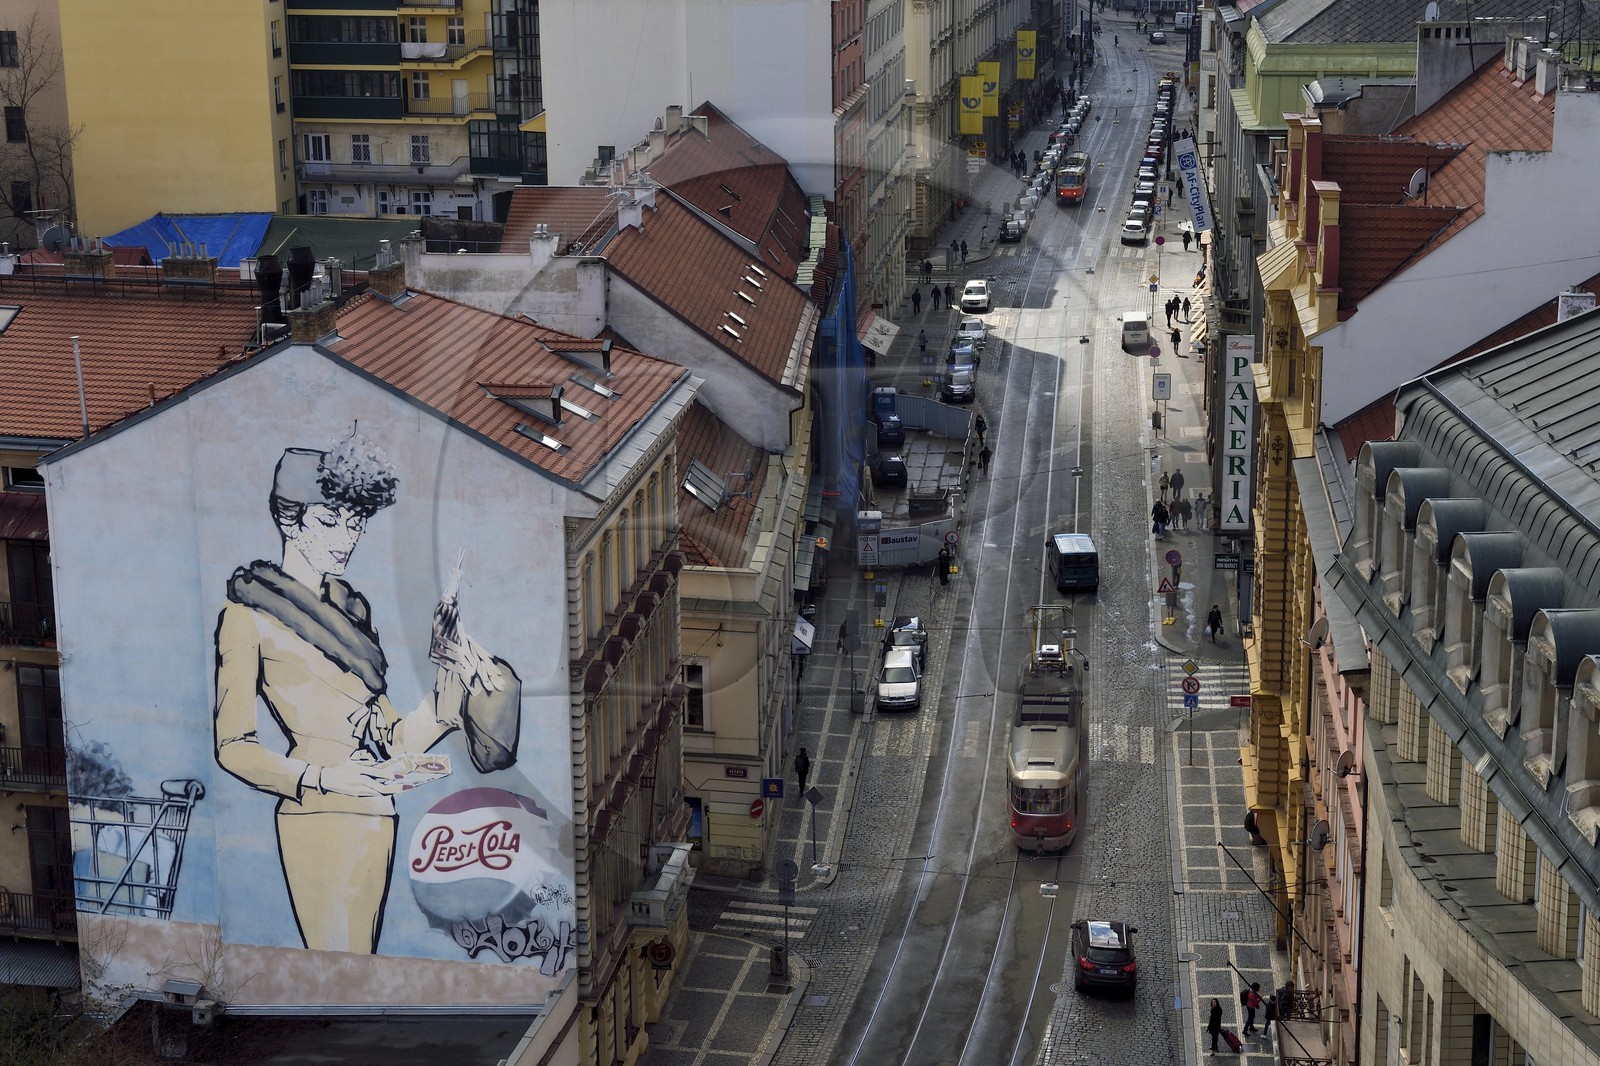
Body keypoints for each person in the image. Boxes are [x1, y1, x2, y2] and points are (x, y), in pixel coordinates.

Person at [214, 437, 520, 954]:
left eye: (355, 522)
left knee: (359, 962)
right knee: (339, 964)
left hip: (377, 808)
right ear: (291, 520)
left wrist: (448, 688)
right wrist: (325, 777)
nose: (347, 537)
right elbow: (233, 747)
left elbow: (395, 739)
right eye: (330, 520)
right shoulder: (246, 616)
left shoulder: (353, 611)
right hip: (318, 810)